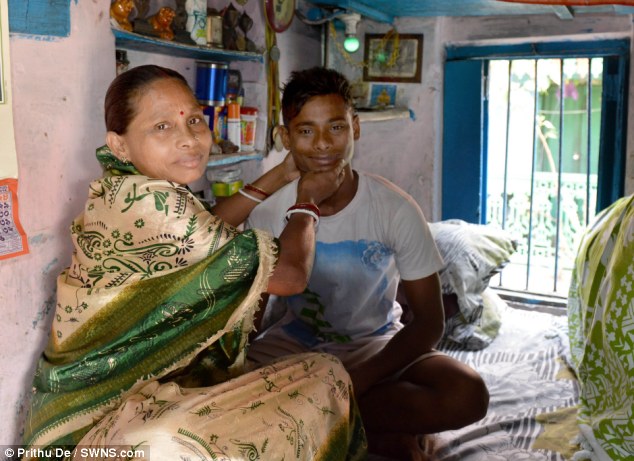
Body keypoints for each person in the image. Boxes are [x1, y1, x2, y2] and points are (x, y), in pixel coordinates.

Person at [23, 65, 367, 460]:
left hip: (91, 407)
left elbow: (209, 229)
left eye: (193, 120)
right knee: (326, 376)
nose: (188, 138)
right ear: (119, 145)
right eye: (162, 127)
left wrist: (282, 173)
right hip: (90, 426)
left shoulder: (121, 187)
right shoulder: (155, 202)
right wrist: (307, 203)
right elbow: (289, 277)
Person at [246, 67, 490, 461]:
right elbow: (251, 315)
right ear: (285, 136)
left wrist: (356, 381)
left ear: (355, 128)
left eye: (336, 127)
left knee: (467, 393)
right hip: (295, 348)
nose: (323, 144)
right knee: (223, 394)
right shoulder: (269, 211)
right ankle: (379, 429)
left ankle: (333, 418)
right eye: (306, 130)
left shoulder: (394, 208)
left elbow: (429, 322)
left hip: (375, 344)